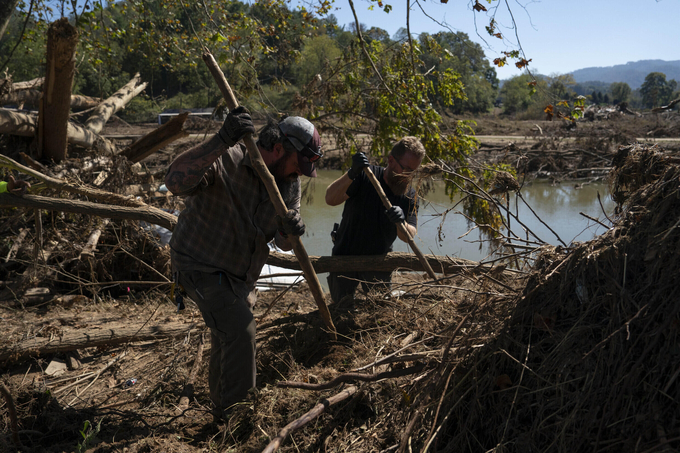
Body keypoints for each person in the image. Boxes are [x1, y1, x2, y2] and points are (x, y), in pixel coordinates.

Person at [164, 108, 322, 418]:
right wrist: (221, 139)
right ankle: (237, 420)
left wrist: (292, 230)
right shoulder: (228, 157)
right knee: (241, 330)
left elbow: (283, 243)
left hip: (239, 277)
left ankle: (220, 411)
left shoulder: (287, 183)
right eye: (297, 163)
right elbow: (173, 182)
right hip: (199, 264)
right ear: (277, 149)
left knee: (227, 335)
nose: (300, 173)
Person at [325, 136, 425, 304]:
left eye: (413, 172)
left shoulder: (409, 195)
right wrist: (352, 173)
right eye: (406, 169)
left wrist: (401, 222)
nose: (408, 176)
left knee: (380, 311)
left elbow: (409, 235)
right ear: (391, 160)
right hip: (344, 256)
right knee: (340, 308)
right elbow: (330, 198)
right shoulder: (366, 176)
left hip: (379, 261)